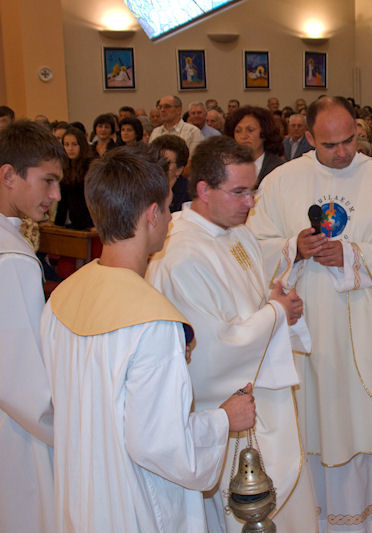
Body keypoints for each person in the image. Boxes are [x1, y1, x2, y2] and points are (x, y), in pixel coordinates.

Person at [40, 144, 257, 532]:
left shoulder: (63, 296)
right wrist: (225, 419)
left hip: (81, 492)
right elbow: (162, 445)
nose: (172, 220)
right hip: (134, 502)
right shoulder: (153, 321)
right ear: (152, 214)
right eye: (169, 208)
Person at [248, 96, 372, 533]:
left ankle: (365, 515)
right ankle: (311, 517)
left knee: (357, 416)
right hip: (301, 327)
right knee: (308, 419)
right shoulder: (281, 181)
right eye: (330, 144)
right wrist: (293, 247)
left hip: (360, 322)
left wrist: (351, 255)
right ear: (308, 138)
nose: (342, 152)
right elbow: (251, 246)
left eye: (349, 141)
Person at [147, 136, 317, 533]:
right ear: (204, 190)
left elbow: (249, 302)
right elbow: (209, 351)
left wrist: (275, 302)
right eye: (239, 192)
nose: (250, 202)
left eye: (252, 190)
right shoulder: (181, 255)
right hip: (223, 408)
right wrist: (276, 313)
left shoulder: (237, 233)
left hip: (259, 392)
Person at [0, 120, 64, 533]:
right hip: (16, 433)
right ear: (9, 175)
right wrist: (70, 430)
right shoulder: (12, 259)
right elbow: (20, 384)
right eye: (48, 181)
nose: (55, 195)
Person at [225, 105, 285, 185]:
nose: (243, 136)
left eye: (250, 130)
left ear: (264, 133)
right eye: (238, 131)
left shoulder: (279, 168)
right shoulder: (225, 166)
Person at [56, 126, 95, 229]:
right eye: (66, 145)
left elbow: (96, 199)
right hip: (75, 223)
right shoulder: (65, 166)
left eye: (74, 144)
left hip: (93, 222)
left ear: (81, 145)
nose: (70, 149)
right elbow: (63, 201)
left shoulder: (90, 165)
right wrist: (57, 225)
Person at [149, 134, 191, 212]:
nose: (159, 165)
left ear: (179, 170)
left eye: (166, 163)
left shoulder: (188, 194)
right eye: (156, 160)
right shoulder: (142, 188)